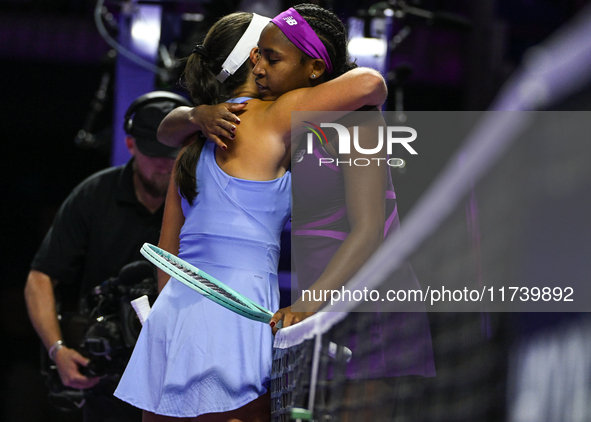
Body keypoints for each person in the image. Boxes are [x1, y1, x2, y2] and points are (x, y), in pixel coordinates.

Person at [114, 8, 387, 422]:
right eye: (264, 54)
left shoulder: (190, 140)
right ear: (252, 61)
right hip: (237, 315)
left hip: (172, 317)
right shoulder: (277, 114)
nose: (265, 64)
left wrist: (194, 113)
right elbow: (370, 83)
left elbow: (167, 257)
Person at [24, 91, 191, 422]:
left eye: (173, 152)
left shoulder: (202, 202)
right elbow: (39, 277)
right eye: (154, 152)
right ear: (130, 145)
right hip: (106, 372)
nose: (165, 163)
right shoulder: (93, 195)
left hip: (179, 367)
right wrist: (58, 350)